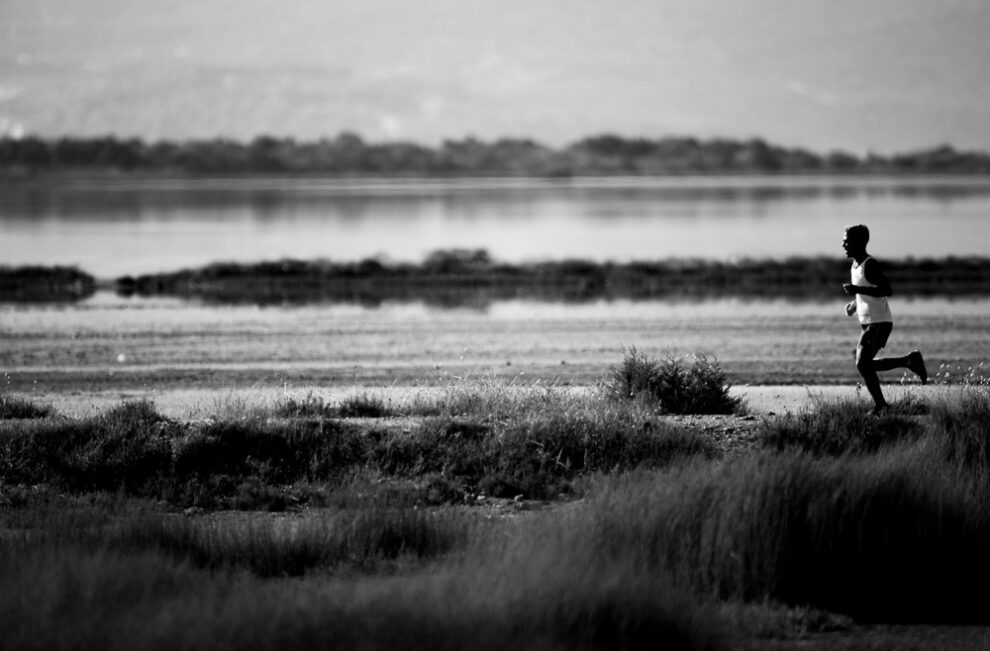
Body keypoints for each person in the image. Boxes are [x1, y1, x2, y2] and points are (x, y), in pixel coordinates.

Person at [842, 224, 927, 414]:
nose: (843, 244)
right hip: (868, 323)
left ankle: (881, 405)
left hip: (879, 322)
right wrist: (854, 304)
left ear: (858, 243)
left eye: (846, 241)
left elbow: (886, 290)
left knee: (862, 364)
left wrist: (857, 291)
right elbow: (866, 293)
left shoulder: (870, 264)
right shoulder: (855, 265)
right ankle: (909, 361)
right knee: (865, 364)